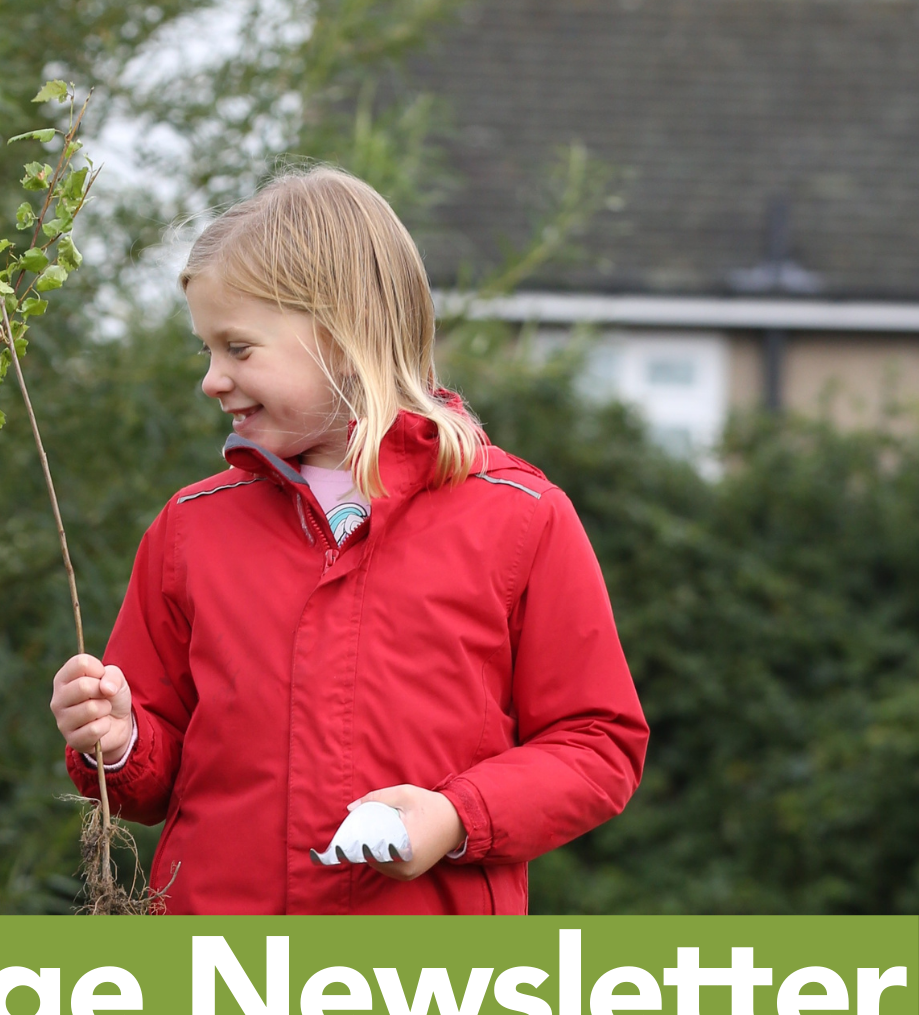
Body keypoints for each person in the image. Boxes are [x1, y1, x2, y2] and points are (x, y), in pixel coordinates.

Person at [49, 166, 648, 914]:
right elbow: (156, 772)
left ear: (340, 338)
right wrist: (117, 739)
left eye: (238, 348)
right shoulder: (191, 528)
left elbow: (597, 745)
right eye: (206, 350)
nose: (211, 378)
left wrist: (456, 816)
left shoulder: (522, 516)